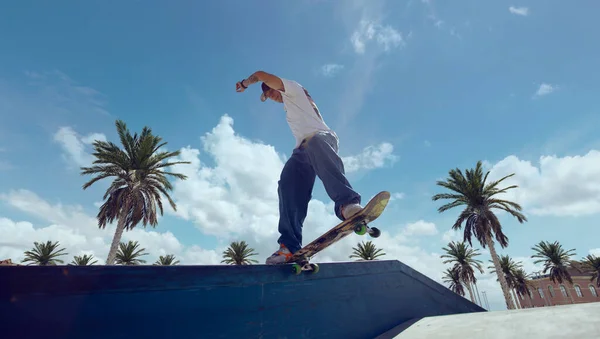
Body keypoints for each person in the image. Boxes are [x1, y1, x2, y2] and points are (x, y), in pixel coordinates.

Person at [236, 70, 363, 264]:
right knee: (287, 182)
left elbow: (261, 74)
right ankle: (289, 246)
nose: (271, 97)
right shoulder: (289, 109)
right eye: (268, 96)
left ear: (276, 85)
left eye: (270, 92)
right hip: (301, 150)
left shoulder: (294, 89)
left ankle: (347, 204)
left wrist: (245, 83)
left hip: (322, 138)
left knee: (315, 143)